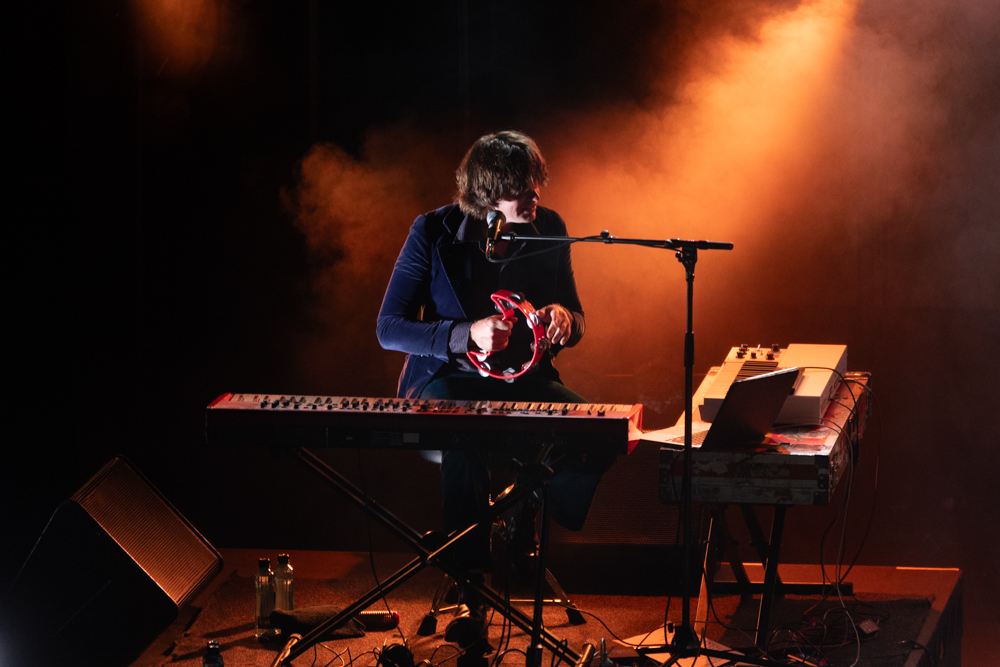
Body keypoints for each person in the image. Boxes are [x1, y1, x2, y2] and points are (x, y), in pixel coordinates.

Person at [376, 131, 611, 647]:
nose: (535, 196)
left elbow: (577, 316)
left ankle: (522, 518)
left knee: (602, 431)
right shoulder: (433, 231)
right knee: (465, 439)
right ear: (487, 193)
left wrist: (565, 320)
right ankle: (471, 591)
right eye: (522, 188)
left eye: (536, 184)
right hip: (450, 380)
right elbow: (389, 328)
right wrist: (466, 334)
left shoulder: (550, 228)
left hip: (528, 380)